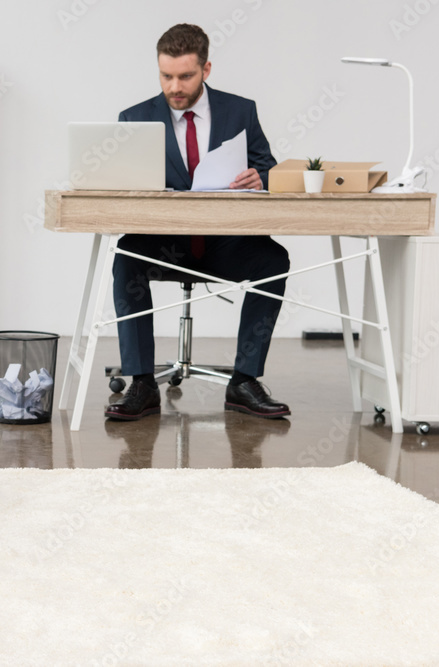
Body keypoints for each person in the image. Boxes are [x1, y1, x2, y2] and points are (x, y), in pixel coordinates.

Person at [105, 23, 291, 422]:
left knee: (274, 260)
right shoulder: (134, 118)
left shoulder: (240, 110)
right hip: (165, 245)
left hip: (224, 241)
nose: (174, 86)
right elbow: (120, 187)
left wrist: (262, 177)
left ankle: (244, 381)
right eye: (166, 75)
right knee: (125, 258)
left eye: (185, 76)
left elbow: (269, 167)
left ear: (206, 69)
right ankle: (141, 381)